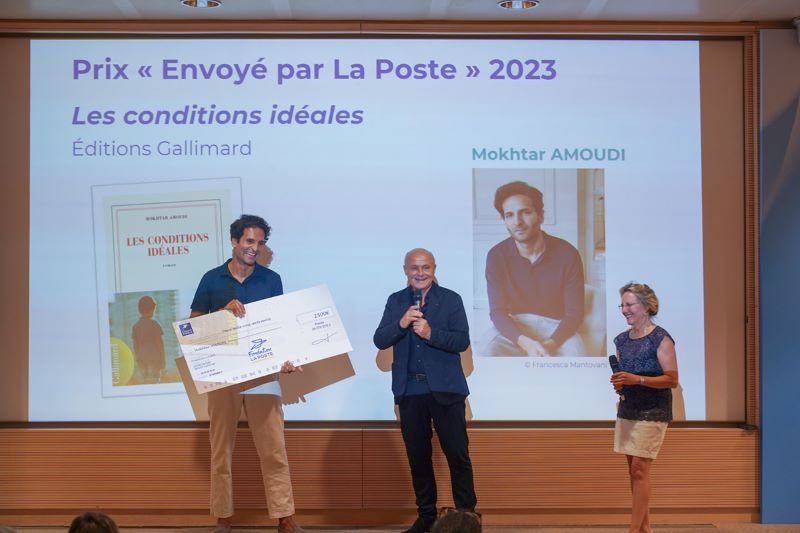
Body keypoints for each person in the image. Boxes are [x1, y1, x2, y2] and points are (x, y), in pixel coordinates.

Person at [190, 214, 305, 533]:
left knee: (273, 448)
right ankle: (223, 517)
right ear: (234, 242)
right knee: (221, 449)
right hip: (223, 375)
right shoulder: (211, 279)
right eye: (249, 241)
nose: (255, 248)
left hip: (263, 375)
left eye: (260, 243)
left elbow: (281, 327)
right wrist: (221, 314)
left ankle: (285, 516)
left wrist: (288, 358)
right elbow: (193, 328)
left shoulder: (272, 279)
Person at [373, 248, 477, 533]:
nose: (420, 273)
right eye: (414, 268)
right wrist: (401, 323)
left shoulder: (451, 300)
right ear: (405, 270)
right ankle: (427, 517)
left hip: (447, 390)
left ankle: (467, 518)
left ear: (434, 268)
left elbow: (461, 340)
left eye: (426, 267)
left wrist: (431, 333)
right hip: (410, 391)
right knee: (418, 458)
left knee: (457, 456)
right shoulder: (396, 301)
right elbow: (379, 339)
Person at [484, 181, 585, 356]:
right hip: (516, 326)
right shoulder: (496, 256)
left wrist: (549, 345)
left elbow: (574, 313)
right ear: (505, 220)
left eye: (526, 212)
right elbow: (498, 312)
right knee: (487, 350)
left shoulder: (568, 253)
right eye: (509, 215)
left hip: (556, 326)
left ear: (541, 216)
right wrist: (527, 344)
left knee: (578, 354)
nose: (518, 222)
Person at [610, 282, 679, 533]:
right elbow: (627, 376)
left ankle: (633, 530)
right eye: (622, 305)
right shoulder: (620, 340)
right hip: (628, 409)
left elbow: (672, 379)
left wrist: (637, 379)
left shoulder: (660, 338)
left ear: (647, 306)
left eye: (629, 304)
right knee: (634, 472)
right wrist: (621, 384)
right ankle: (645, 528)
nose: (624, 310)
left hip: (654, 411)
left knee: (640, 468)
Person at [131, 295, 165, 383]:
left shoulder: (135, 326)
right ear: (152, 310)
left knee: (144, 382)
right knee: (155, 382)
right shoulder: (154, 324)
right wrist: (162, 359)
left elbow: (135, 346)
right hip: (154, 357)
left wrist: (137, 358)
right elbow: (159, 343)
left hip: (141, 358)